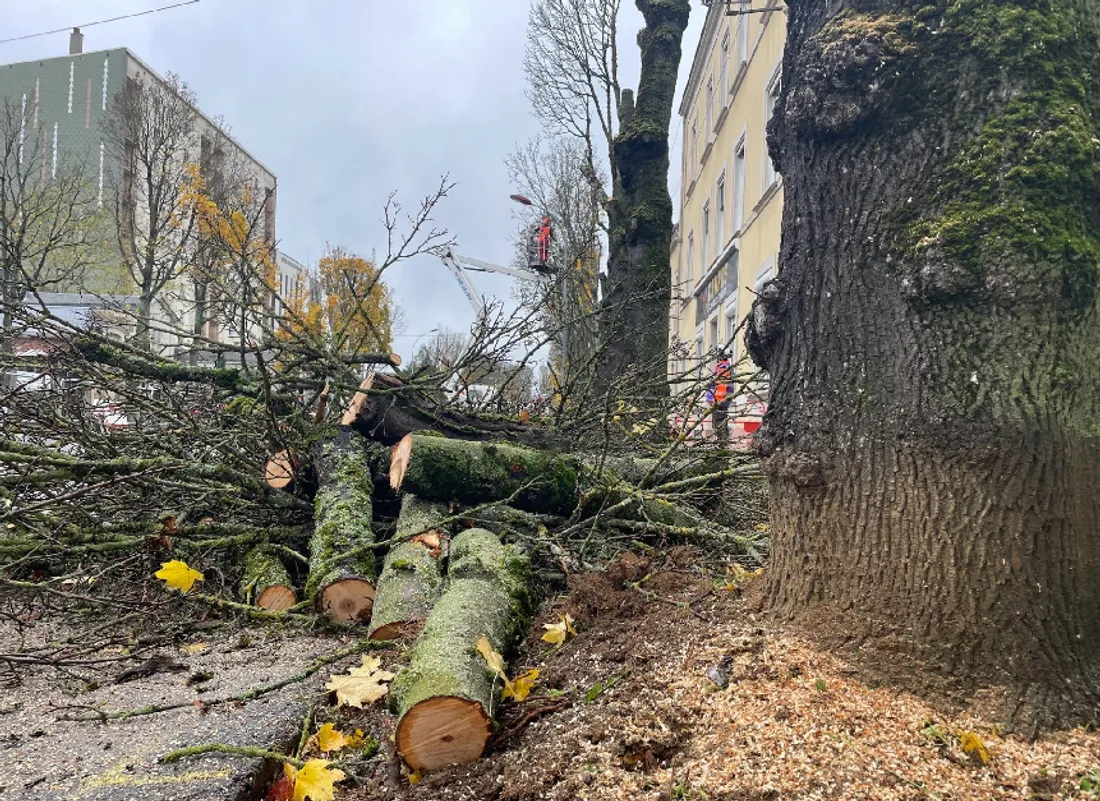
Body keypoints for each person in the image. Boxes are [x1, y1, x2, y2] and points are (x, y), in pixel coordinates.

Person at [706, 351, 733, 443]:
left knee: (719, 423)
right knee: (719, 423)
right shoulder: (723, 367)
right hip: (720, 400)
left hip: (719, 401)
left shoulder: (723, 368)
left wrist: (712, 399)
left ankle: (722, 443)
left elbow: (720, 386)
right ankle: (722, 441)